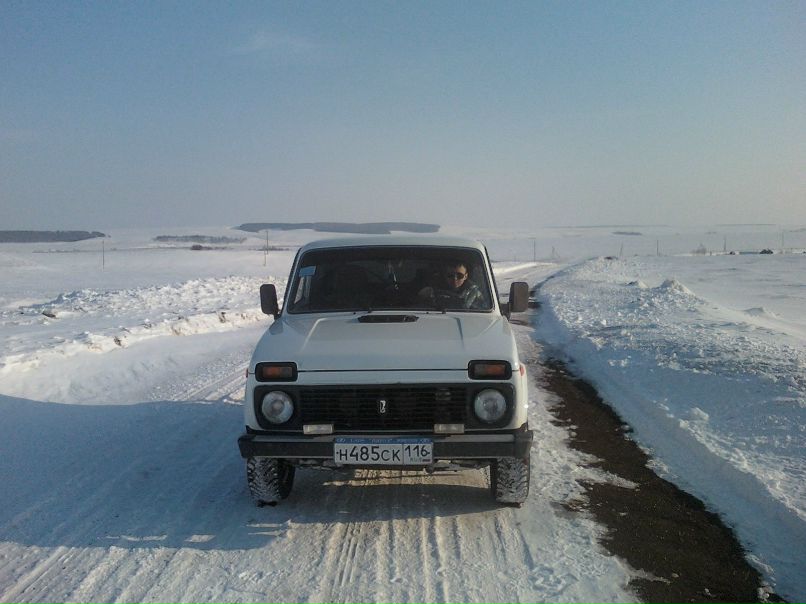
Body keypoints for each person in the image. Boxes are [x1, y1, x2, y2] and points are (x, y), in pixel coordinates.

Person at [419, 261, 484, 309]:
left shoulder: (475, 294)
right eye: (450, 275)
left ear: (465, 276)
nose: (455, 279)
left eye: (459, 275)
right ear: (445, 276)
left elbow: (480, 315)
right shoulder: (432, 290)